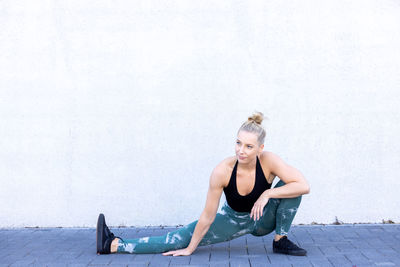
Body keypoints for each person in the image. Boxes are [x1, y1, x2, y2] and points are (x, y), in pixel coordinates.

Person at [96, 111, 310, 256]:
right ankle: (114, 245)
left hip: (264, 220)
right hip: (232, 221)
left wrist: (267, 195)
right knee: (176, 239)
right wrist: (190, 248)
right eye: (238, 143)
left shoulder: (270, 161)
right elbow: (208, 216)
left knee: (290, 187)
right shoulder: (222, 171)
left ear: (260, 149)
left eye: (248, 146)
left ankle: (280, 240)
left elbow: (303, 185)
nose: (241, 151)